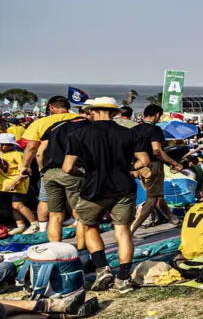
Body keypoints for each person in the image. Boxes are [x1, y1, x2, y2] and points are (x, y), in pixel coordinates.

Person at [61, 97, 150, 292]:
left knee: (90, 227)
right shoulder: (129, 134)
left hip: (93, 189)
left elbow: (67, 168)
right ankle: (124, 278)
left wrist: (83, 173)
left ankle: (103, 269)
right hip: (123, 187)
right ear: (115, 113)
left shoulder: (79, 134)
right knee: (122, 231)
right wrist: (129, 169)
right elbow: (144, 160)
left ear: (93, 111)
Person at [17, 95, 79, 234]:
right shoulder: (80, 120)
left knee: (45, 200)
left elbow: (33, 147)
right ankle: (78, 226)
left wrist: (25, 165)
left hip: (50, 168)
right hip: (75, 167)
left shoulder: (41, 122)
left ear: (51, 107)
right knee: (75, 199)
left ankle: (44, 230)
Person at [130, 104, 186, 235]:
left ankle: (172, 218)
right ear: (157, 115)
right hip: (153, 166)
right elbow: (157, 151)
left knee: (157, 194)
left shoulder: (133, 129)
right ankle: (132, 229)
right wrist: (174, 163)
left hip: (137, 167)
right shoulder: (155, 130)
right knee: (152, 199)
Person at [37, 113, 90, 245]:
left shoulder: (56, 126)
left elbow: (39, 152)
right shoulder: (89, 127)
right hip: (73, 171)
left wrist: (43, 170)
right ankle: (82, 250)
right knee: (79, 215)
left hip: (50, 172)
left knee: (54, 214)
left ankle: (55, 250)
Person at [0, 134, 37, 233]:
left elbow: (24, 171)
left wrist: (15, 182)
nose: (4, 146)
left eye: (7, 144)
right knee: (12, 206)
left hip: (19, 182)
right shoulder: (1, 154)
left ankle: (34, 224)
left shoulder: (18, 154)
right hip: (6, 184)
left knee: (17, 205)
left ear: (12, 145)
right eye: (2, 144)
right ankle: (20, 225)